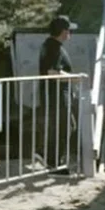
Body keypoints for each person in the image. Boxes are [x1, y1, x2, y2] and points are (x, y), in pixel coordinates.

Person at [38, 15, 78, 172]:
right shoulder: (53, 47)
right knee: (64, 127)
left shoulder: (51, 45)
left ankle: (49, 158)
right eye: (69, 30)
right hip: (57, 95)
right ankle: (54, 163)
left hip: (57, 94)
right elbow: (52, 72)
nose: (70, 34)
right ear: (63, 31)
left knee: (66, 126)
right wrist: (75, 78)